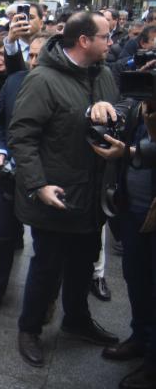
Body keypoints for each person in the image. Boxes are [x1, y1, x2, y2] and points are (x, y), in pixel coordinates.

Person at [10, 11, 119, 368]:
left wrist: (112, 112)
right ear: (84, 40)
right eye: (105, 36)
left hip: (93, 195)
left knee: (82, 265)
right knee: (46, 268)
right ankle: (29, 329)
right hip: (56, 196)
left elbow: (120, 111)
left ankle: (76, 320)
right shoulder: (42, 79)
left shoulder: (103, 73)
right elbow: (22, 138)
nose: (111, 42)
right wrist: (38, 185)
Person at [0, 34, 47, 318]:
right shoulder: (15, 82)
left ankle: (40, 308)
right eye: (31, 56)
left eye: (41, 56)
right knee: (0, 236)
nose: (35, 62)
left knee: (43, 247)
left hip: (45, 181)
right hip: (8, 177)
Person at [88, 98, 156, 389]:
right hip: (134, 209)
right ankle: (140, 338)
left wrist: (129, 151)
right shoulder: (143, 101)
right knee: (135, 278)